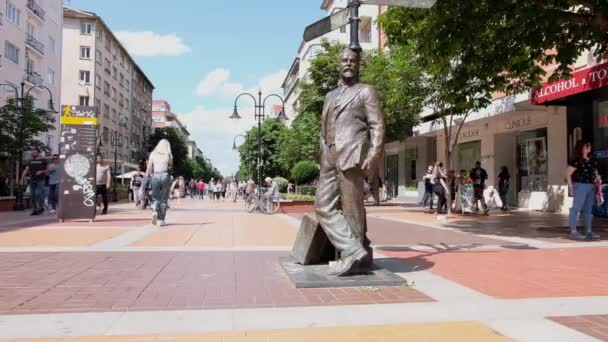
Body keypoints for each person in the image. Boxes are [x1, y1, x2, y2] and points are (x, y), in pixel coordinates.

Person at [315, 48, 385, 276]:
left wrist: (373, 157)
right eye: (344, 60)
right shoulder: (330, 96)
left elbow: (377, 126)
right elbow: (324, 127)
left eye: (352, 60)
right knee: (323, 206)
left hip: (352, 155)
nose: (348, 63)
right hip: (330, 157)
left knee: (353, 210)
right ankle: (353, 250)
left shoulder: (366, 92)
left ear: (358, 65)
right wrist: (324, 153)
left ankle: (353, 258)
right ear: (338, 64)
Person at [567, 141, 601, 240]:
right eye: (587, 145)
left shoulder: (592, 160)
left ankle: (589, 231)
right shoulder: (576, 160)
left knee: (588, 210)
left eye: (590, 145)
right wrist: (571, 188)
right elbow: (568, 174)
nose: (589, 147)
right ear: (582, 148)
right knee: (576, 209)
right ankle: (573, 231)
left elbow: (595, 172)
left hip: (591, 186)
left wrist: (598, 178)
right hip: (580, 186)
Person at [146, 139, 172, 227]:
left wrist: (148, 177)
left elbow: (149, 168)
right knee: (164, 199)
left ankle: (154, 211)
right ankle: (161, 220)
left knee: (155, 197)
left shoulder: (153, 154)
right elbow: (170, 166)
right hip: (165, 175)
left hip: (155, 175)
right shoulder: (168, 154)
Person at [21, 148, 49, 215]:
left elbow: (48, 169)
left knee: (39, 194)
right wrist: (22, 178)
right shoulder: (30, 160)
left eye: (35, 152)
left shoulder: (43, 160)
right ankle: (35, 210)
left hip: (41, 179)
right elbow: (26, 169)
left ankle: (41, 207)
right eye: (32, 152)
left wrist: (41, 171)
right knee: (32, 195)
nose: (33, 153)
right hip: (32, 179)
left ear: (38, 153)